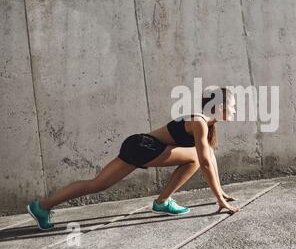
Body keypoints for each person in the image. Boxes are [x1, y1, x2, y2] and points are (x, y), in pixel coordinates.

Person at [27, 86, 240, 230]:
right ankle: (162, 201)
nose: (235, 109)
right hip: (145, 146)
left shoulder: (205, 123)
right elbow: (204, 161)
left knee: (96, 184)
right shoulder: (199, 122)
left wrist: (221, 191)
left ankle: (42, 206)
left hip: (135, 144)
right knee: (196, 157)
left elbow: (209, 159)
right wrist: (219, 200)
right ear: (219, 107)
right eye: (233, 105)